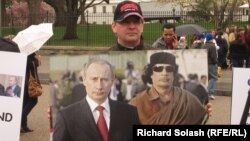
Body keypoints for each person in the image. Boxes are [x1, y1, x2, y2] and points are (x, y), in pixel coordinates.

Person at [53, 59, 140, 141]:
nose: (99, 86)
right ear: (84, 80)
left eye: (105, 79)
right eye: (94, 79)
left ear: (112, 81)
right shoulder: (66, 117)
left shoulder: (130, 112)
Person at [129, 52, 207, 124]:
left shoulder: (188, 100)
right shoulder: (137, 103)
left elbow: (203, 119)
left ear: (173, 74)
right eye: (158, 69)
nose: (164, 73)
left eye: (169, 69)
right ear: (151, 74)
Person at [21, 53, 41, 133]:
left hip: (26, 84)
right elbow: (32, 65)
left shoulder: (24, 56)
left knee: (25, 103)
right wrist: (37, 60)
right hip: (29, 84)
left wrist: (37, 61)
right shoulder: (28, 58)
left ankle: (24, 126)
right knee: (33, 101)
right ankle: (20, 119)